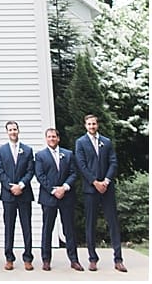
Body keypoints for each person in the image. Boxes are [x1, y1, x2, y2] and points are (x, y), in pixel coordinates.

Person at [74, 113, 127, 273]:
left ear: (98, 125)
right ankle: (92, 259)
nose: (92, 126)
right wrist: (95, 182)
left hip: (107, 188)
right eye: (89, 124)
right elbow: (81, 165)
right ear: (85, 126)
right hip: (91, 189)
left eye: (94, 124)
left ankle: (118, 259)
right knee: (91, 224)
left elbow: (113, 162)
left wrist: (106, 181)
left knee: (113, 223)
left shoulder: (106, 142)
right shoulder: (80, 143)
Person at [34, 127, 82, 272]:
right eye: (49, 137)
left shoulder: (68, 154)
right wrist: (54, 190)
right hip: (48, 197)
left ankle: (74, 260)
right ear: (46, 139)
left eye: (54, 136)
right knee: (47, 229)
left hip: (66, 196)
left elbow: (74, 173)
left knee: (69, 229)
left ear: (58, 138)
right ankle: (46, 260)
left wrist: (64, 187)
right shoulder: (40, 155)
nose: (52, 139)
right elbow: (40, 175)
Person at [0, 120, 36, 270]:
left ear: (18, 131)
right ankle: (9, 258)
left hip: (24, 194)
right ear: (7, 132)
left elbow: (30, 170)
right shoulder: (1, 150)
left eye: (15, 129)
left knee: (26, 226)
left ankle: (28, 258)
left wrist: (21, 185)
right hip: (8, 195)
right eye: (10, 130)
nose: (13, 132)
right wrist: (10, 186)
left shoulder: (27, 150)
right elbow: (0, 171)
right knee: (9, 227)